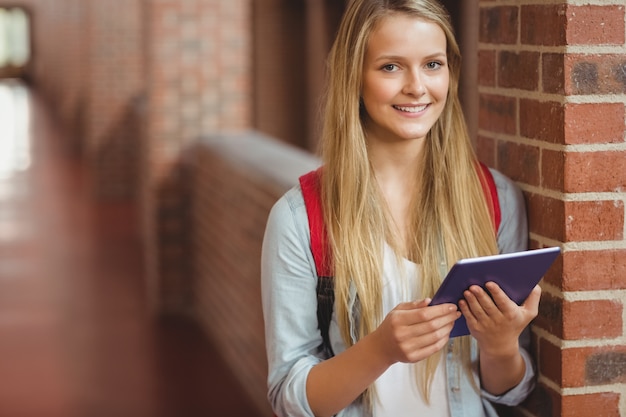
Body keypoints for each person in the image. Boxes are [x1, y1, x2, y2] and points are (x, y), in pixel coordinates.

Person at [261, 0, 539, 416]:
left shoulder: (495, 199)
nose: (417, 87)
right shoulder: (300, 218)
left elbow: (510, 392)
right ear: (355, 76)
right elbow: (289, 397)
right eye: (391, 67)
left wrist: (500, 347)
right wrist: (378, 350)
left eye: (432, 64)